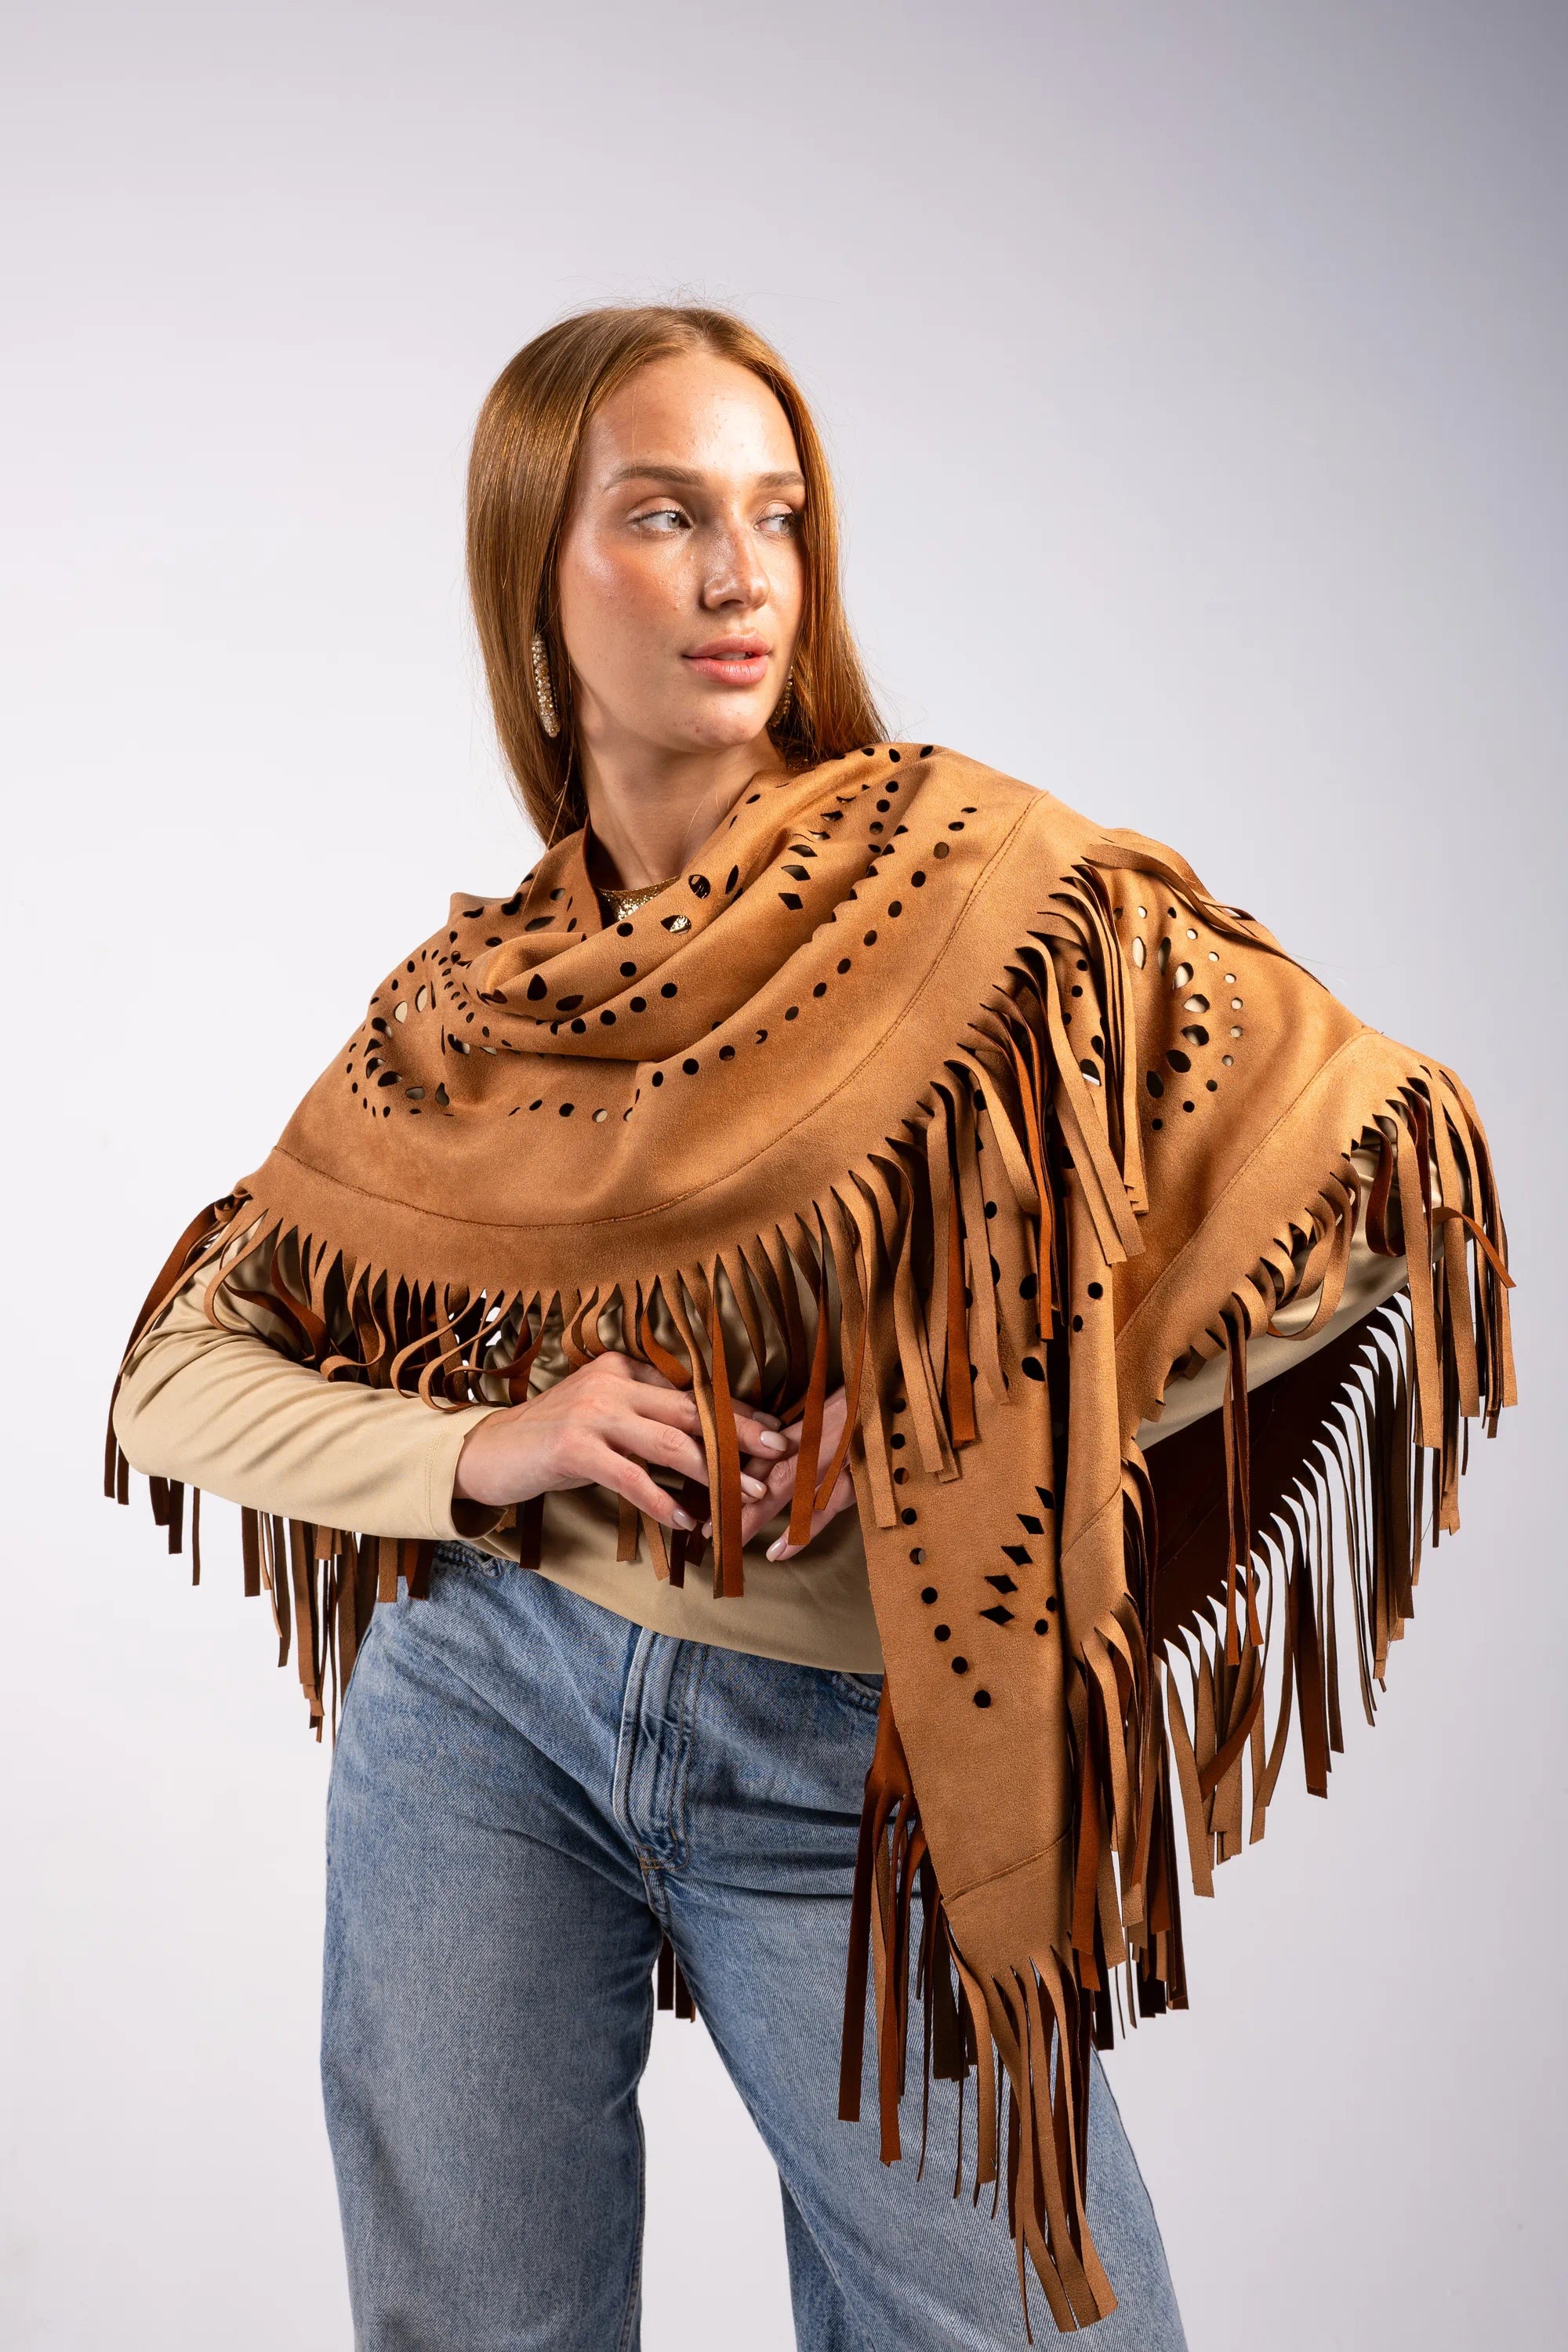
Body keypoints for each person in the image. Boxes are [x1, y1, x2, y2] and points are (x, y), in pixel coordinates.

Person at [107, 303, 1513, 2350]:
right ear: (533, 569)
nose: (741, 575)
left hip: (847, 1748)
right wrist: (489, 1448)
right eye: (666, 515)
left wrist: (979, 1401)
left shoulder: (979, 892)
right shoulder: (476, 1006)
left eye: (777, 515)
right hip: (482, 1701)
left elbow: (1381, 1198)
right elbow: (173, 1373)